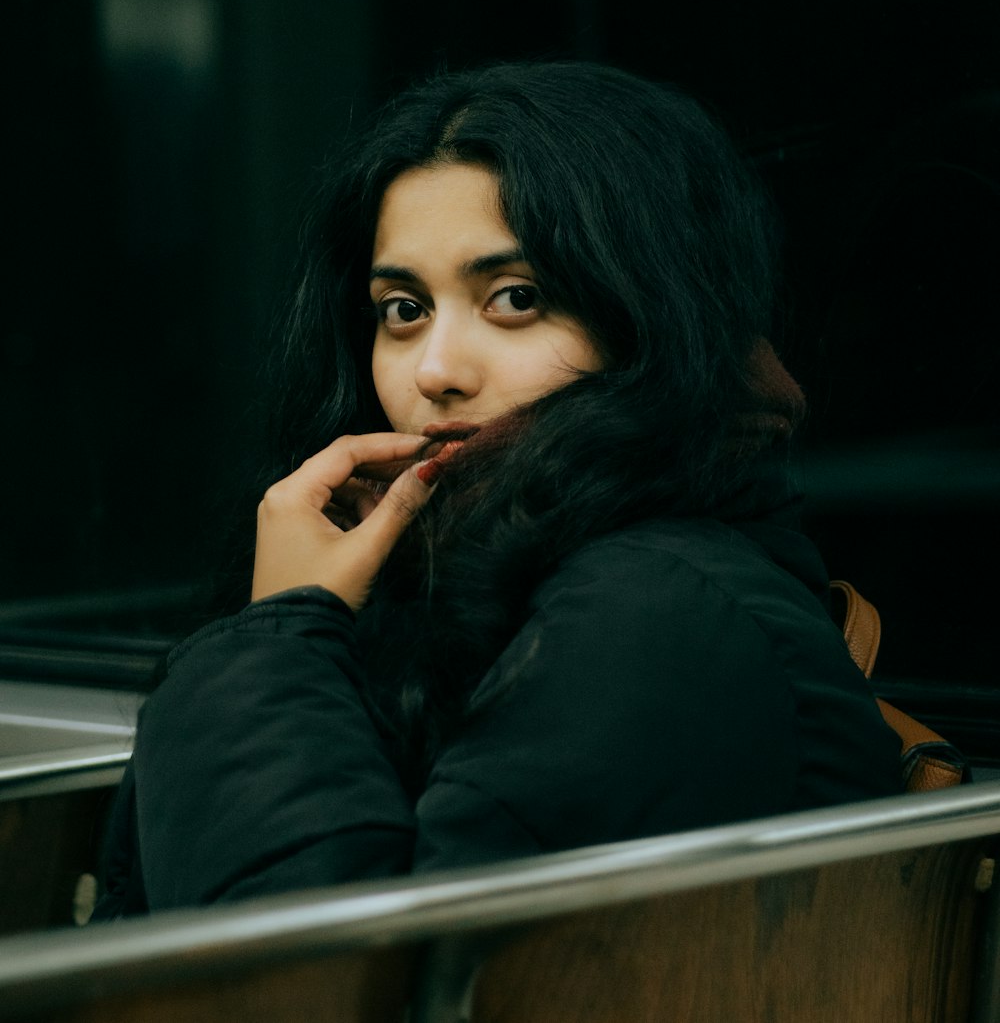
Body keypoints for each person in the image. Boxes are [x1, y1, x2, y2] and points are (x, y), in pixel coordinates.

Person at [96, 61, 902, 917]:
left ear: (653, 318)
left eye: (516, 297)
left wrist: (279, 635)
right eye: (402, 309)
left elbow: (329, 990)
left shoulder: (656, 612)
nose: (437, 370)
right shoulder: (442, 582)